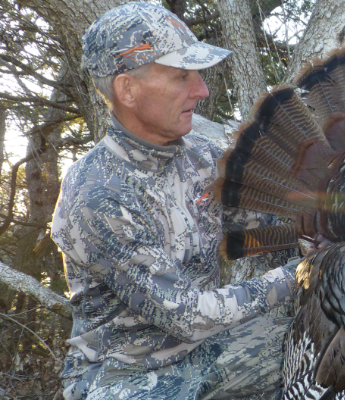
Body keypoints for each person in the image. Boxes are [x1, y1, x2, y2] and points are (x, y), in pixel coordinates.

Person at [51, 3, 297, 399]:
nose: (201, 90)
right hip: (126, 378)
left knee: (329, 342)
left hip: (206, 353)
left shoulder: (201, 155)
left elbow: (265, 223)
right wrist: (301, 273)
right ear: (127, 90)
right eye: (182, 77)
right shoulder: (97, 193)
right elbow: (188, 315)